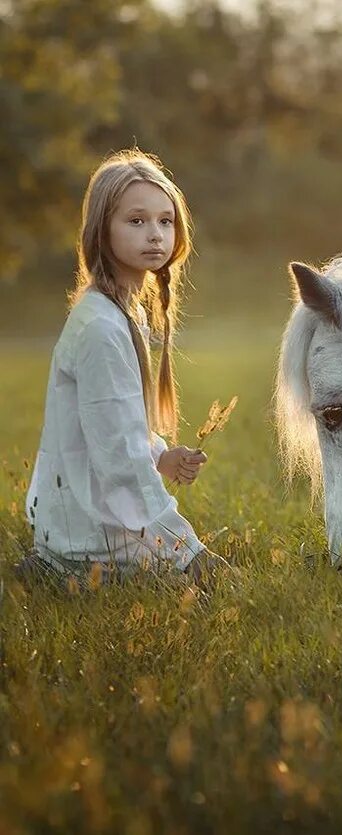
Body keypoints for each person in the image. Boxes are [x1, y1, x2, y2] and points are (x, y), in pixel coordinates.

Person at [21, 148, 215, 584]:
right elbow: (122, 463)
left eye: (166, 221)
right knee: (207, 593)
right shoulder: (102, 327)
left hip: (80, 525)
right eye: (136, 220)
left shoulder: (122, 313)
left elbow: (115, 429)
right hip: (91, 543)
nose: (155, 235)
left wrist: (161, 456)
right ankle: (59, 569)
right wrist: (189, 552)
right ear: (101, 230)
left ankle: (53, 562)